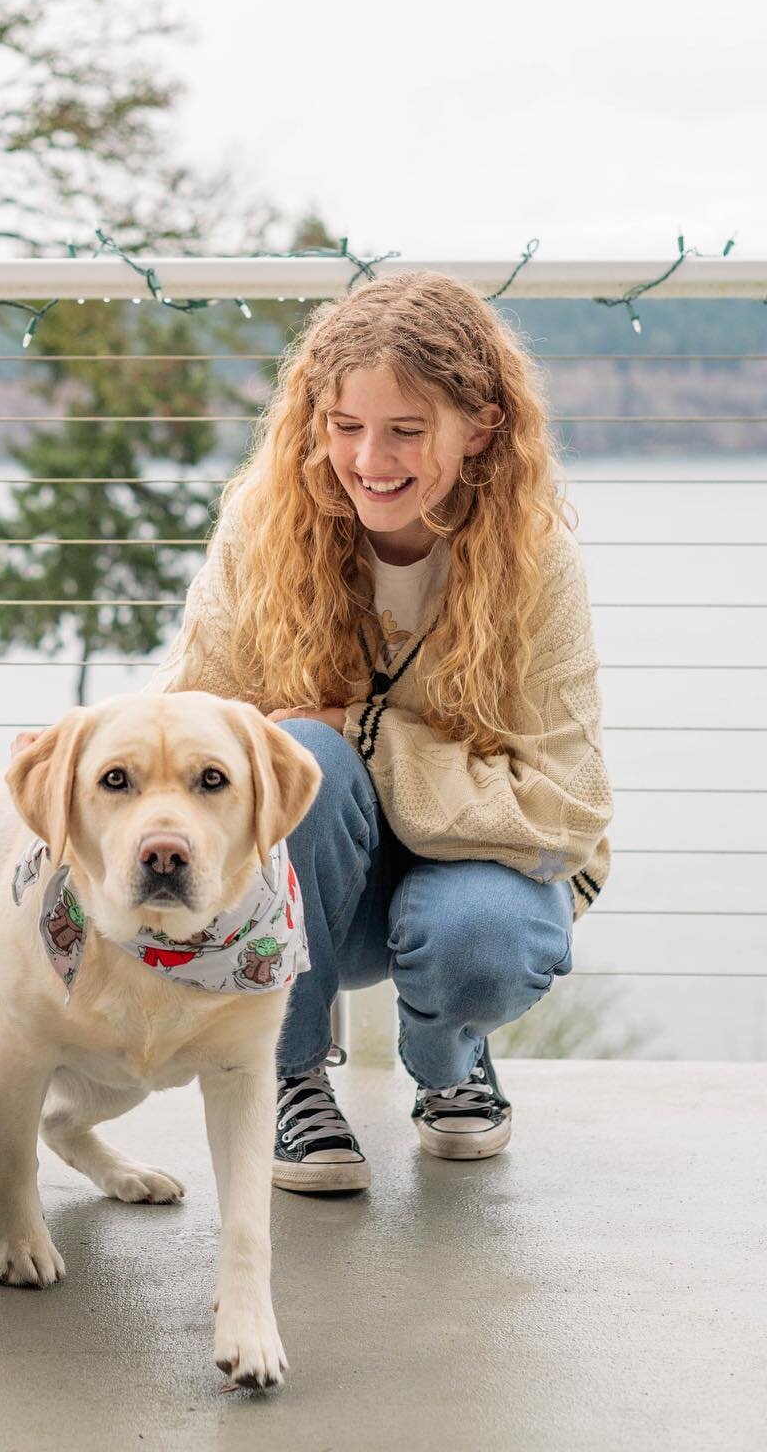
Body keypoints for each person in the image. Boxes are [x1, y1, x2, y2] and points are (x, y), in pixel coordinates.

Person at [147, 271, 613, 1192]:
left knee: (474, 932)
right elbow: (200, 728)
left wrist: (363, 730)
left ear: (479, 428)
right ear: (314, 418)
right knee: (300, 760)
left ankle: (448, 1059)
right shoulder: (265, 522)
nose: (371, 459)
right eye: (346, 427)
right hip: (324, 890)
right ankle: (290, 1071)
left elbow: (564, 807)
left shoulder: (535, 556)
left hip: (486, 875)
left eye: (407, 430)